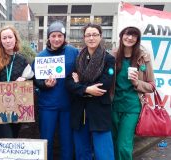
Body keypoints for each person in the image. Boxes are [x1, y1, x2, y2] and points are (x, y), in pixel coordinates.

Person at [65, 23, 116, 160]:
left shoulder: (108, 59)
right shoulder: (78, 58)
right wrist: (87, 89)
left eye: (95, 34)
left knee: (104, 153)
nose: (91, 38)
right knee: (82, 152)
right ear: (84, 38)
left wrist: (79, 86)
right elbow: (69, 83)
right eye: (88, 35)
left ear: (100, 37)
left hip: (99, 111)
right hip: (79, 111)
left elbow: (104, 84)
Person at [33, 21, 79, 160]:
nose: (57, 39)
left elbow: (82, 69)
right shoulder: (40, 56)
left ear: (64, 37)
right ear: (48, 37)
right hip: (47, 105)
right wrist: (45, 84)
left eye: (60, 35)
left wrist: (79, 78)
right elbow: (35, 80)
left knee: (67, 141)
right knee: (46, 140)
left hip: (68, 105)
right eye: (53, 35)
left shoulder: (73, 52)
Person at [111, 26, 155, 160]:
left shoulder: (143, 58)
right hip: (113, 105)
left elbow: (152, 86)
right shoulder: (112, 56)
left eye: (133, 36)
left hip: (132, 106)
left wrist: (137, 83)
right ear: (121, 36)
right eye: (127, 34)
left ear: (137, 39)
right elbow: (106, 77)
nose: (129, 38)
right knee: (112, 142)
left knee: (123, 144)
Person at [0, 25, 34, 138]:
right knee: (7, 138)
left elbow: (31, 77)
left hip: (17, 106)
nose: (7, 40)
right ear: (0, 41)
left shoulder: (21, 59)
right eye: (4, 38)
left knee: (14, 137)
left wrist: (25, 79)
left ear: (15, 39)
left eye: (10, 37)